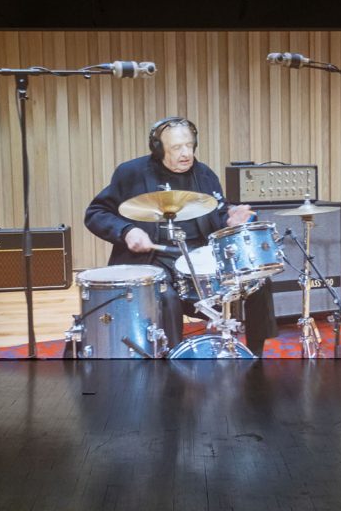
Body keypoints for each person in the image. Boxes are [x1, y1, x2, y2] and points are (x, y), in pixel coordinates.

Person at [84, 116, 278, 355]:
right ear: (158, 149)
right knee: (166, 298)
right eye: (176, 147)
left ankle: (256, 354)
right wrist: (127, 231)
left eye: (189, 145)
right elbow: (96, 213)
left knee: (257, 282)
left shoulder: (204, 174)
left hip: (197, 257)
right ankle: (173, 359)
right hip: (153, 257)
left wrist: (229, 217)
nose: (186, 153)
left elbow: (215, 213)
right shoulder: (131, 173)